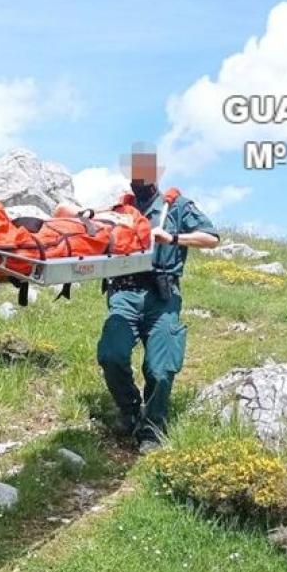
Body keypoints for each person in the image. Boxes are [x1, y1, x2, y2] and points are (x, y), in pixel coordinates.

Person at [96, 149, 220, 449]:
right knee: (111, 354)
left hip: (161, 294)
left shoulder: (177, 207)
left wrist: (174, 238)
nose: (140, 181)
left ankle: (153, 426)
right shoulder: (120, 210)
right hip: (123, 292)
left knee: (161, 368)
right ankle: (129, 410)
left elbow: (212, 237)